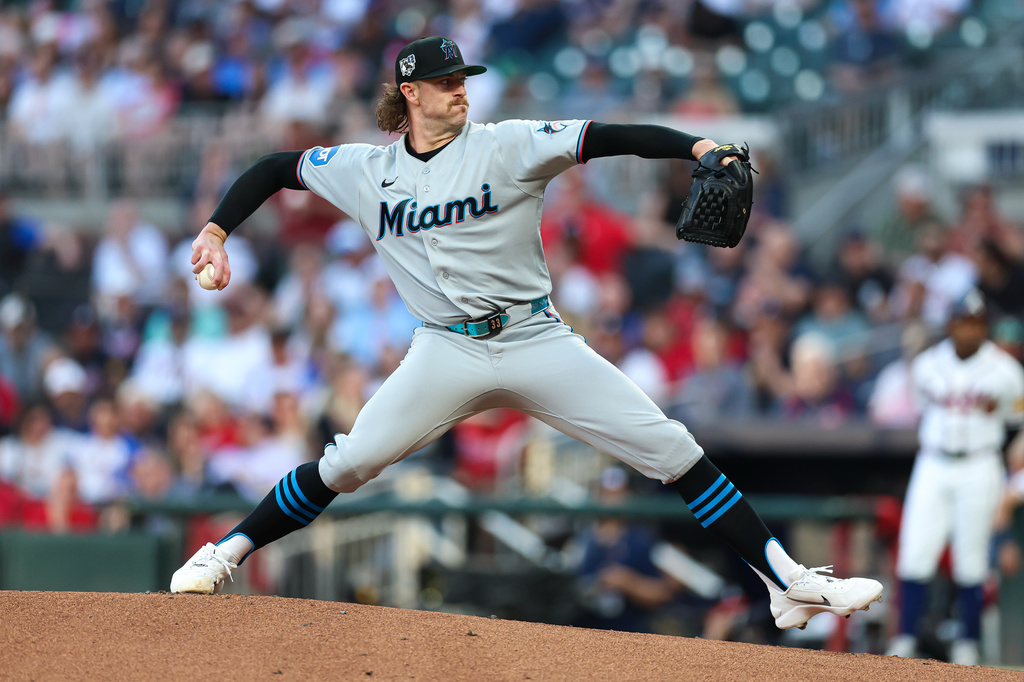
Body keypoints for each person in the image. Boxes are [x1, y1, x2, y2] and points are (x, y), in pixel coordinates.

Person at [169, 36, 883, 631]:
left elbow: (607, 137)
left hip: (534, 339)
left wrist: (695, 145)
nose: (461, 90)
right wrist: (215, 230)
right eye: (446, 82)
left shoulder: (508, 145)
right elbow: (275, 168)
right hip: (445, 347)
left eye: (463, 79)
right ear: (410, 94)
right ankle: (224, 553)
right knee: (349, 464)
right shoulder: (364, 170)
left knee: (671, 448)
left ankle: (786, 581)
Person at [886, 290, 1024, 665]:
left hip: (980, 463)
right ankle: (905, 637)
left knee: (971, 559)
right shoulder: (928, 364)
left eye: (976, 323)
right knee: (915, 552)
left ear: (985, 327)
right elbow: (920, 408)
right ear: (950, 323)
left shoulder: (1007, 372)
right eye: (963, 321)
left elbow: (1018, 425)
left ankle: (967, 643)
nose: (968, 329)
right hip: (933, 462)